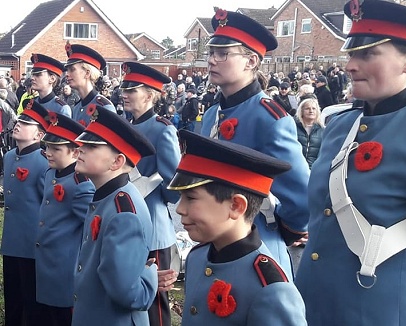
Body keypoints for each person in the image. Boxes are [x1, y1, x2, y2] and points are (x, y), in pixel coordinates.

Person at [294, 1, 406, 325]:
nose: (350, 65)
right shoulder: (339, 125)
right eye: (351, 54)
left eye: (367, 54)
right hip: (316, 305)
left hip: (388, 310)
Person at [201, 8, 310, 280]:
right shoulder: (214, 114)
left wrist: (286, 229)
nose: (212, 60)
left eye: (223, 53)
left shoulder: (269, 117)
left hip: (255, 244)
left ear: (251, 61)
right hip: (213, 241)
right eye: (211, 52)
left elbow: (301, 196)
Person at [168, 129, 307, 325]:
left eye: (190, 198)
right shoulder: (197, 256)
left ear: (236, 206)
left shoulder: (271, 289)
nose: (180, 209)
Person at [71, 105, 158, 325]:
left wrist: (151, 275)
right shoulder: (108, 197)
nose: (80, 148)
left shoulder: (123, 213)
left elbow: (129, 293)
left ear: (117, 162)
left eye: (91, 146)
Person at [120, 61, 181, 326]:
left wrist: (150, 187)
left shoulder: (162, 129)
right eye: (124, 88)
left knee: (154, 304)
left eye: (132, 89)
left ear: (149, 94)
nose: (124, 93)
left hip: (152, 226)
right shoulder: (123, 125)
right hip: (124, 219)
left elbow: (175, 184)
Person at [35, 113, 95, 326]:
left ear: (75, 151)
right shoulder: (52, 173)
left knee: (63, 318)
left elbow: (91, 231)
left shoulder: (81, 185)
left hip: (64, 269)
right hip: (46, 265)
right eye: (47, 147)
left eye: (55, 149)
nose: (48, 153)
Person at [1, 99, 50, 326]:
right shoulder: (10, 156)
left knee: (31, 300)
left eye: (26, 123)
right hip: (11, 240)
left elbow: (47, 204)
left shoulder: (43, 162)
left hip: (32, 242)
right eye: (19, 120)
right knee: (12, 295)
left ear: (39, 135)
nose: (18, 125)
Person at [63, 41, 116, 126]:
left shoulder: (104, 107)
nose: (67, 74)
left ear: (87, 73)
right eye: (67, 70)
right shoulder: (76, 108)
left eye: (72, 69)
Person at [295, 97, 323, 168]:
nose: (311, 111)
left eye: (314, 108)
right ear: (301, 111)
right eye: (307, 108)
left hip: (314, 170)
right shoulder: (294, 127)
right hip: (296, 168)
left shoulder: (323, 130)